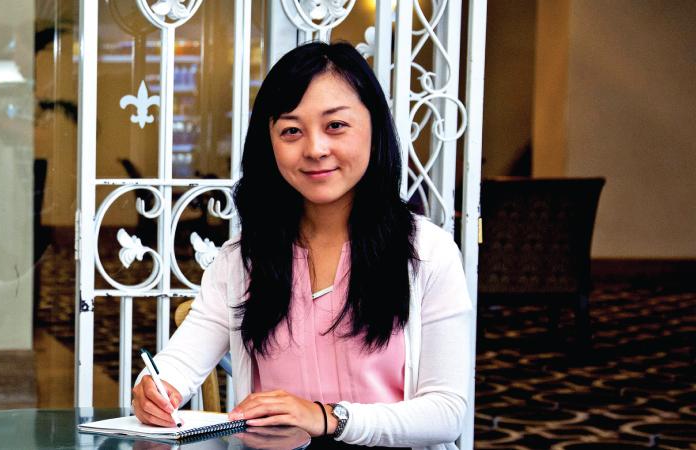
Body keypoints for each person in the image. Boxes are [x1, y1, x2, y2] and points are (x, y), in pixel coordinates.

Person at [132, 41, 473, 449]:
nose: (314, 149)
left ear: (374, 127)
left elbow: (446, 412)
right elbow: (176, 366)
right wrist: (153, 389)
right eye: (291, 130)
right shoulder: (243, 261)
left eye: (335, 126)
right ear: (269, 143)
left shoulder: (427, 253)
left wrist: (326, 417)